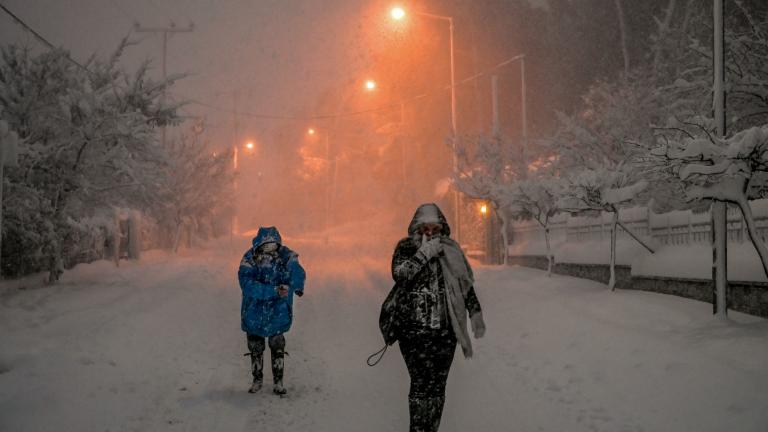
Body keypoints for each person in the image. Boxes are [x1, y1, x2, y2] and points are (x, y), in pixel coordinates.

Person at [391, 203, 486, 432]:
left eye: (435, 228)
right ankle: (417, 428)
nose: (430, 233)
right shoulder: (405, 248)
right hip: (413, 332)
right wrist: (423, 254)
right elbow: (400, 275)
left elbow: (464, 284)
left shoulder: (450, 249)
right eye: (425, 228)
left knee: (438, 387)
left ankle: (432, 428)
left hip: (445, 333)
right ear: (417, 227)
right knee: (420, 384)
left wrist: (475, 312)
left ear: (442, 227)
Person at [239, 226, 306, 395]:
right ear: (259, 245)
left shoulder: (285, 256)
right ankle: (257, 379)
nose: (269, 251)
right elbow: (247, 285)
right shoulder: (249, 259)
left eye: (273, 246)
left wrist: (296, 285)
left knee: (277, 343)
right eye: (266, 246)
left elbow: (296, 269)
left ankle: (278, 381)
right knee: (255, 344)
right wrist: (273, 291)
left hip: (277, 309)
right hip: (255, 309)